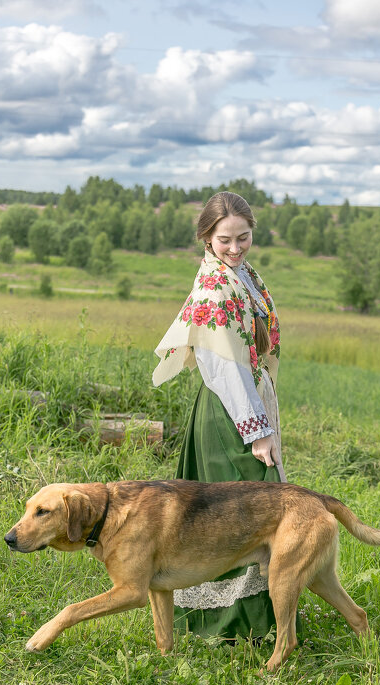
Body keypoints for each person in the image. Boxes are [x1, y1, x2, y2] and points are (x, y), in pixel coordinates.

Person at [152, 191, 286, 640]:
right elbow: (224, 366)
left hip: (246, 400)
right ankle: (229, 627)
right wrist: (256, 432)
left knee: (251, 514)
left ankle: (262, 621)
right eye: (224, 239)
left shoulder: (241, 273)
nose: (234, 247)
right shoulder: (213, 287)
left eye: (243, 238)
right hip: (229, 412)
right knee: (241, 515)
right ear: (206, 238)